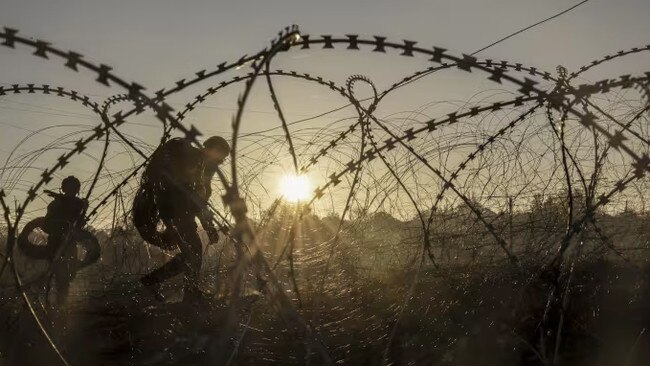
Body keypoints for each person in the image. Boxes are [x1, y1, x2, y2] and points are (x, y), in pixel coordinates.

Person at [134, 136, 229, 303]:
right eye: (221, 156)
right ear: (213, 150)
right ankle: (189, 294)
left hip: (180, 213)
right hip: (175, 212)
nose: (221, 162)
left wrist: (209, 226)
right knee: (193, 250)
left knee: (190, 252)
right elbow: (193, 196)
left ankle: (153, 281)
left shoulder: (202, 167)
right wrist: (208, 225)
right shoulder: (192, 160)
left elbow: (200, 202)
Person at [42, 176, 91, 305]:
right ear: (64, 189)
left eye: (74, 188)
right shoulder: (56, 204)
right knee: (59, 277)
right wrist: (63, 226)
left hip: (70, 245)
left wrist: (84, 211)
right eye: (69, 188)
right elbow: (46, 225)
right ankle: (55, 306)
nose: (72, 191)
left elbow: (79, 225)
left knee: (69, 276)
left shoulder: (79, 204)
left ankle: (60, 305)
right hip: (56, 244)